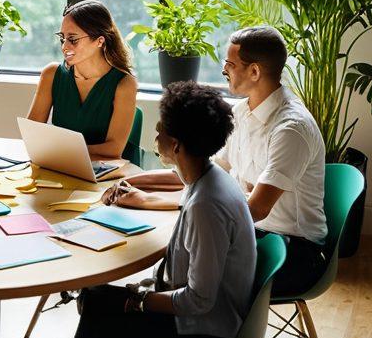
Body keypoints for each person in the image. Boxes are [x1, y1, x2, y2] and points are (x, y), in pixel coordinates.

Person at [3, 82, 256, 338]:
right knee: (97, 299)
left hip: (207, 334)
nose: (154, 136)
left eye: (159, 130)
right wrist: (136, 296)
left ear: (174, 143)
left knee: (99, 327)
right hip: (205, 316)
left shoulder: (207, 206)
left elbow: (198, 300)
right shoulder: (205, 179)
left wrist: (138, 302)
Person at [114, 26, 326, 299]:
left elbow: (255, 210)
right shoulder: (241, 112)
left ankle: (157, 312)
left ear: (254, 72)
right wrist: (131, 181)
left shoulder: (289, 129)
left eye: (230, 64)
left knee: (185, 257)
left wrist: (151, 201)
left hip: (292, 251)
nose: (223, 69)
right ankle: (155, 305)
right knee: (179, 249)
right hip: (254, 233)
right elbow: (203, 172)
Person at [27, 0, 139, 161]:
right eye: (62, 38)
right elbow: (32, 134)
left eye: (73, 39)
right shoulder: (51, 75)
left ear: (100, 41)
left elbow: (114, 149)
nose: (64, 46)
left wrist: (60, 150)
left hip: (102, 175)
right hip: (58, 167)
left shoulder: (124, 83)